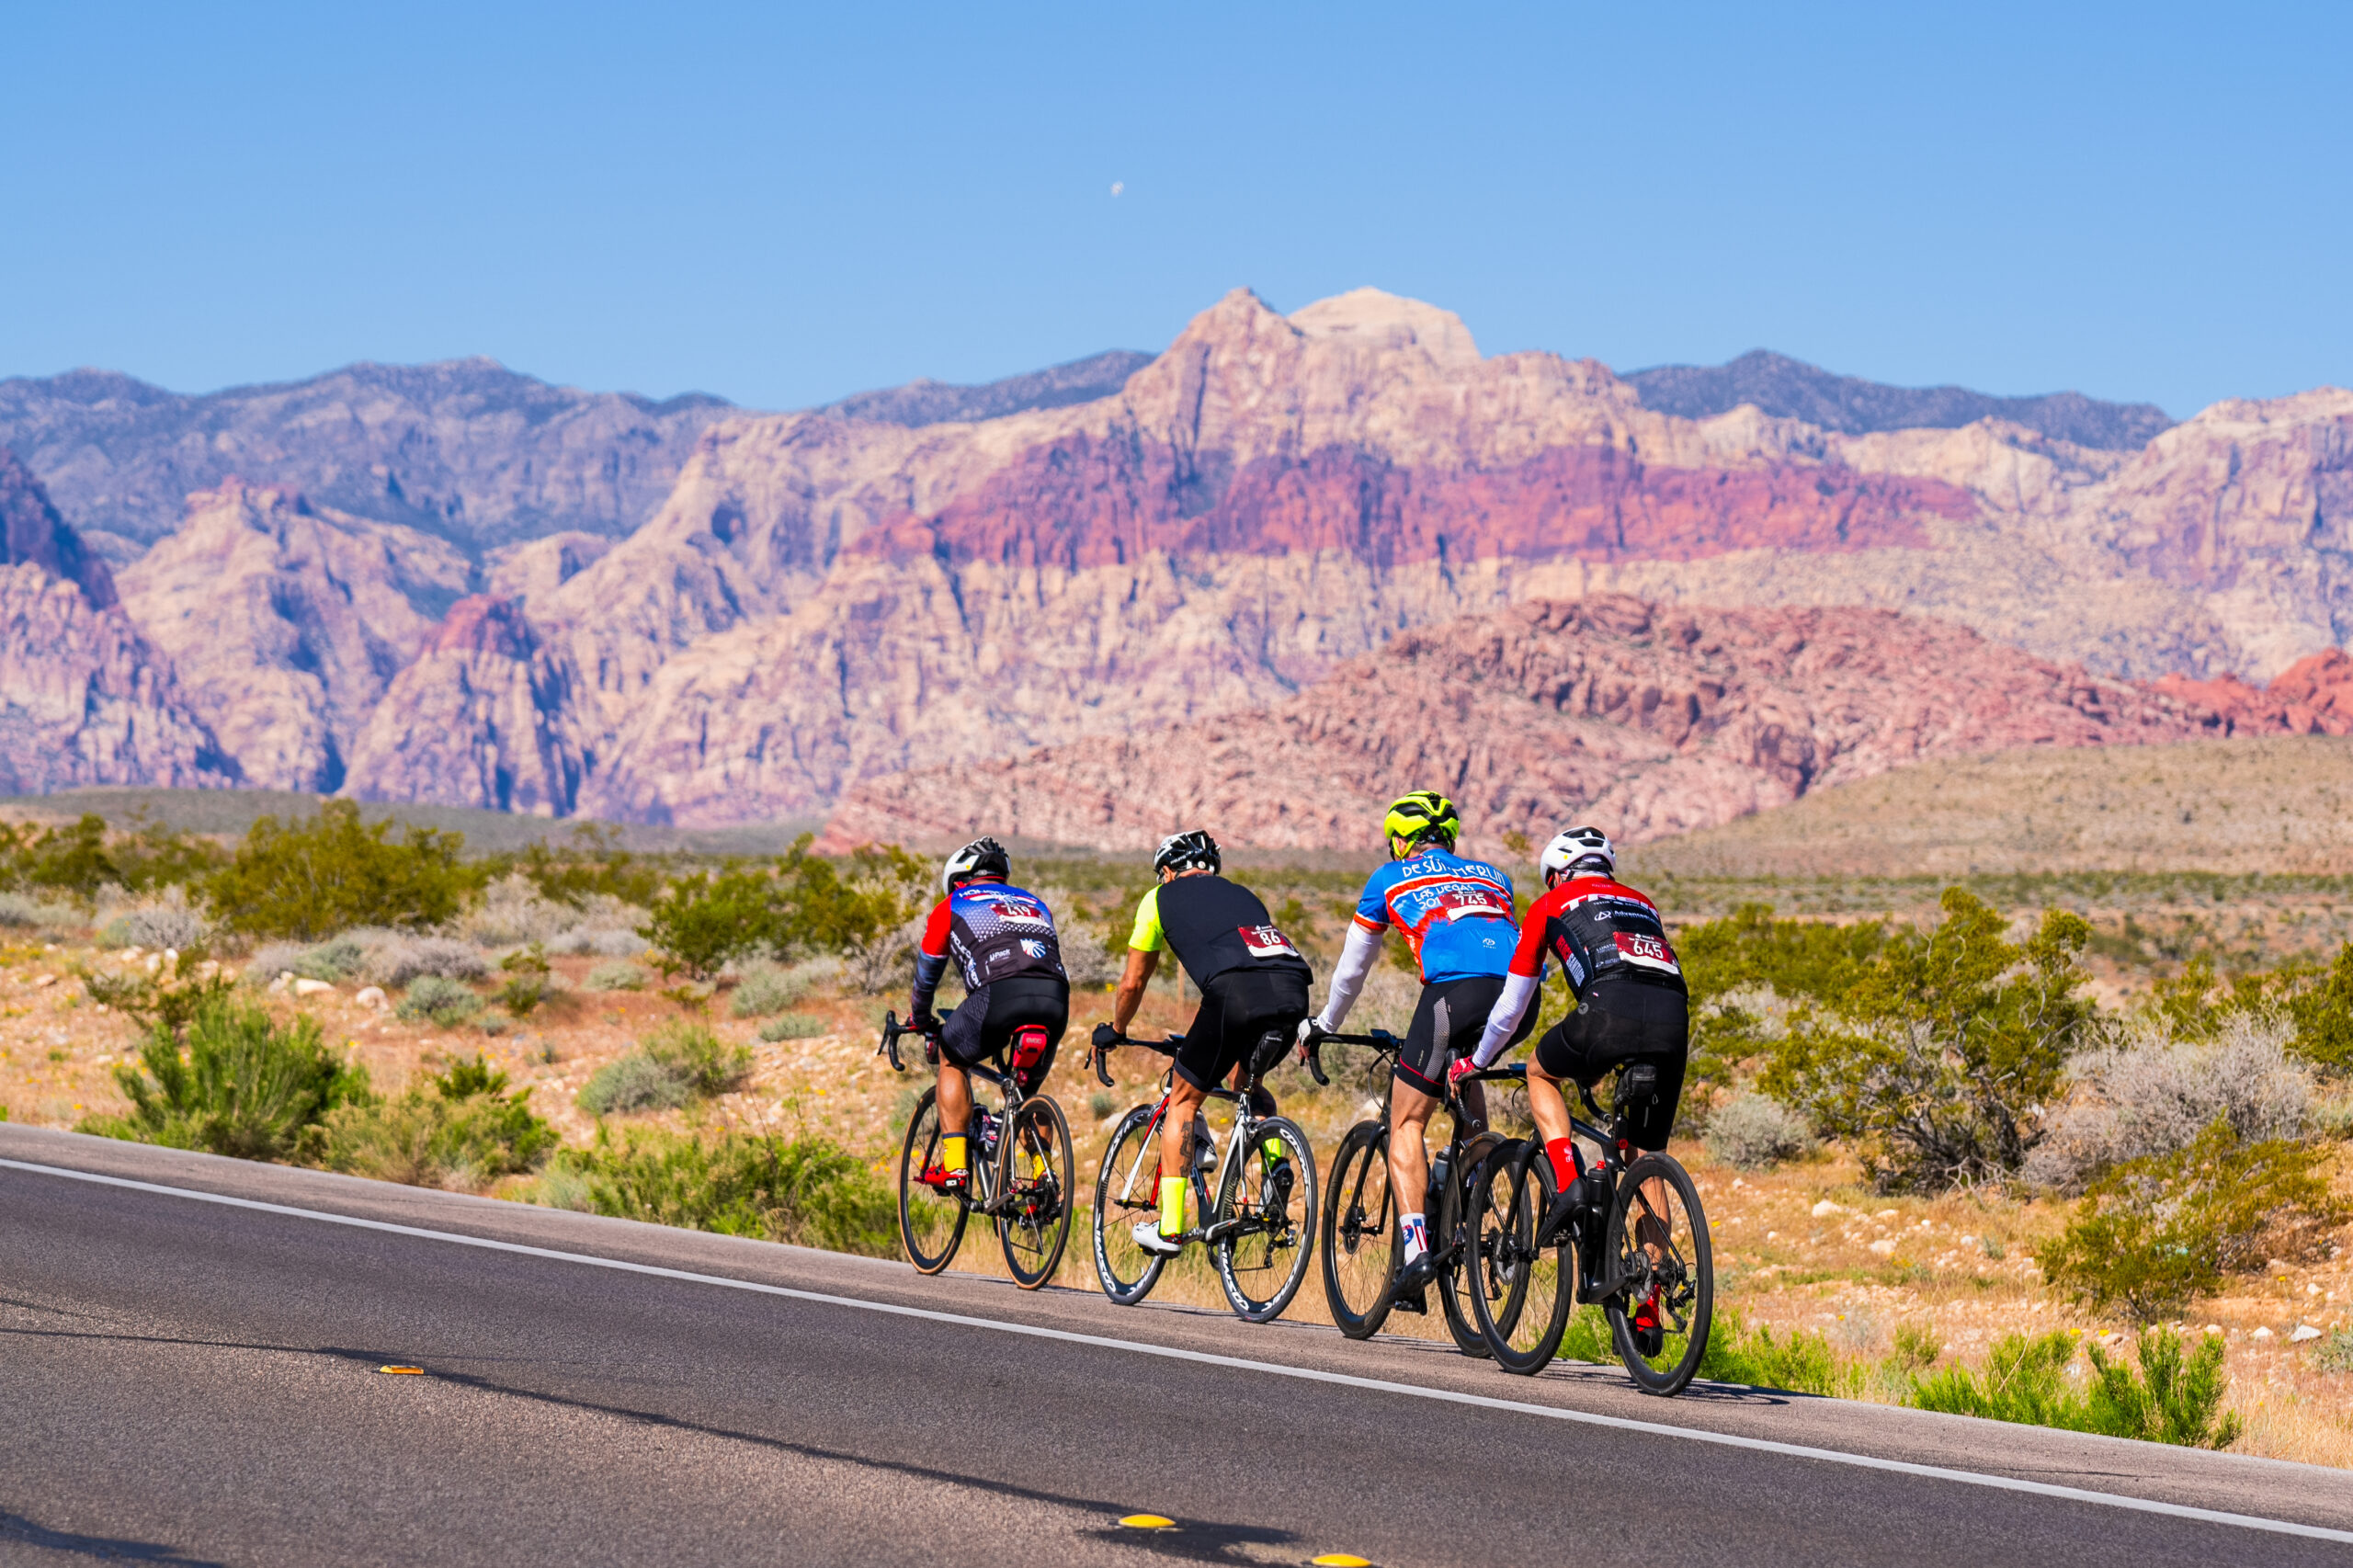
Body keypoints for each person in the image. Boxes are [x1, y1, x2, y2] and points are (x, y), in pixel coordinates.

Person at [1457, 824, 1688, 1352]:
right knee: (1644, 1156)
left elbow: (1513, 1007)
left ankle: (1567, 1183)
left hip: (1608, 1009)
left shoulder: (1550, 904)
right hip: (1674, 1017)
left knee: (1541, 1072)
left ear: (1557, 873)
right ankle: (1649, 1305)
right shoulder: (1641, 902)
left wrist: (1478, 1059)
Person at [1300, 790, 1533, 1305]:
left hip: (1455, 997)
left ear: (1401, 840)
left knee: (1406, 1121)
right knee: (1463, 1074)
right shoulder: (1496, 877)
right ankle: (1473, 1195)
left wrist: (1324, 1024)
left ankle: (1416, 1254)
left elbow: (1354, 969)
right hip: (1520, 1000)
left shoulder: (1389, 878)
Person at [1107, 829, 1313, 1257]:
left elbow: (1132, 982)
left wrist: (1118, 1029)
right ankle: (1276, 1163)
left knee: (1183, 1100)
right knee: (1247, 1084)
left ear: (1166, 870)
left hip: (1234, 995)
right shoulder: (1242, 893)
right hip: (1294, 991)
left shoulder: (1158, 898)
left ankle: (1169, 1228)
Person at [908, 837, 1069, 1193]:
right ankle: (1044, 1176)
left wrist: (919, 1017)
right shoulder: (1036, 903)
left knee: (952, 1060)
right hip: (1056, 998)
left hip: (999, 994)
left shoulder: (952, 904)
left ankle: (954, 1167)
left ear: (958, 880)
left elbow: (926, 975)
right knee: (1026, 1094)